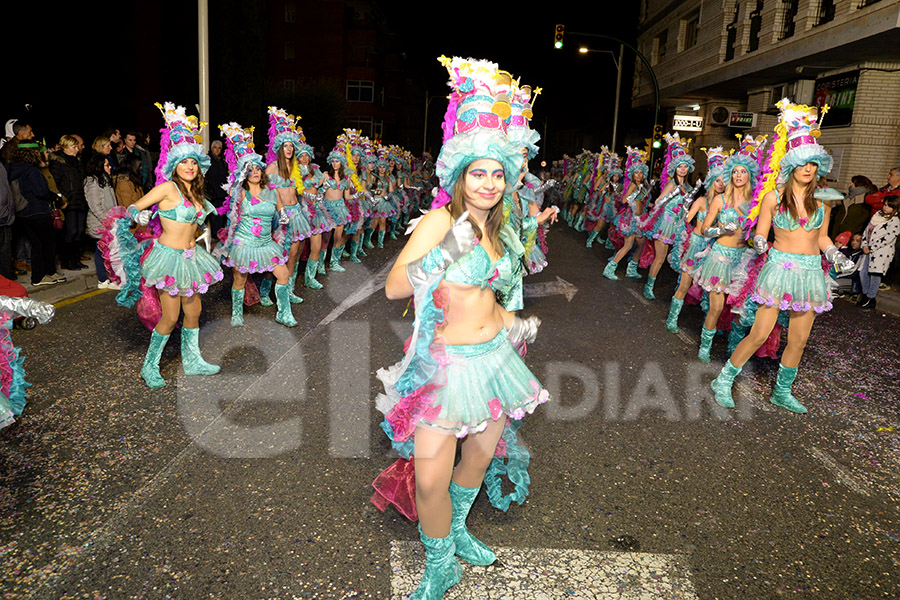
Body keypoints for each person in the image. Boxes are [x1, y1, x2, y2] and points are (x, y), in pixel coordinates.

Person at [371, 57, 548, 600]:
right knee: (429, 477)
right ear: (460, 175)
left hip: (495, 357)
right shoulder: (441, 221)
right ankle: (440, 561)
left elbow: (497, 290)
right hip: (445, 366)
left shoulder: (505, 224)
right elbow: (396, 288)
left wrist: (514, 322)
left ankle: (461, 529)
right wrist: (448, 249)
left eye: (498, 173)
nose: (490, 183)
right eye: (478, 172)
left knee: (478, 455)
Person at [711, 99, 855, 414]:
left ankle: (781, 392)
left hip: (810, 272)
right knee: (760, 332)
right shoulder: (773, 198)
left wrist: (835, 254)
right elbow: (759, 233)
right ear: (791, 165)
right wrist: (761, 242)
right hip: (778, 268)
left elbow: (821, 237)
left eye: (814, 164)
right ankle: (723, 379)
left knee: (799, 340)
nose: (808, 169)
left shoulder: (824, 200)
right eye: (803, 163)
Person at [105, 102, 224, 388]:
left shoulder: (197, 194)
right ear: (174, 165)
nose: (190, 166)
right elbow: (133, 207)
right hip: (168, 257)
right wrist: (139, 214)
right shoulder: (167, 188)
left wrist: (204, 240)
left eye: (193, 162)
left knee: (193, 311)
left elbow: (197, 226)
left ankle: (193, 360)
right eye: (184, 162)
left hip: (191, 257)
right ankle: (150, 366)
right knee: (170, 317)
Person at [691, 135, 765, 361]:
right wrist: (721, 230)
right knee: (716, 307)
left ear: (750, 175)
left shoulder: (756, 202)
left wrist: (756, 240)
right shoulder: (720, 200)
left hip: (743, 260)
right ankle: (705, 345)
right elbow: (704, 229)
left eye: (743, 172)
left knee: (740, 309)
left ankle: (734, 348)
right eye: (735, 172)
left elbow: (758, 230)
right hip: (719, 258)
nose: (738, 176)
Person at [216, 122, 295, 327]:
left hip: (266, 243)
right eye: (250, 170)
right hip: (244, 243)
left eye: (258, 168)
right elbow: (232, 213)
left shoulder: (272, 191)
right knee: (240, 279)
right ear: (245, 173)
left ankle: (283, 313)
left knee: (283, 274)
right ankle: (236, 313)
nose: (256, 172)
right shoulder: (240, 192)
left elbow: (280, 210)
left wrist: (284, 215)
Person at [665, 146, 726, 333]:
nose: (721, 184)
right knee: (684, 284)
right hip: (695, 245)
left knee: (709, 290)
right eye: (717, 181)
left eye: (724, 181)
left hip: (712, 249)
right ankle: (672, 319)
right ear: (710, 182)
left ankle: (708, 324)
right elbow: (686, 220)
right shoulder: (701, 202)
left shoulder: (725, 204)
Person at [639, 133, 695, 299]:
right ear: (675, 168)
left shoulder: (689, 186)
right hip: (666, 225)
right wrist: (672, 196)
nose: (683, 169)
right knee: (660, 258)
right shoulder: (672, 184)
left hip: (679, 226)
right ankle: (649, 287)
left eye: (685, 166)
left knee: (681, 259)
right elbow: (657, 202)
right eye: (680, 167)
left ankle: (680, 292)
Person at [6, 143, 64, 286]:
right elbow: (40, 191)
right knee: (47, 243)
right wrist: (55, 197)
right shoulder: (32, 170)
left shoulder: (15, 169)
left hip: (24, 212)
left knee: (37, 244)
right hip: (38, 211)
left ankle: (47, 273)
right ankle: (40, 276)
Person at [603, 147, 650, 280]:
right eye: (636, 173)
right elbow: (624, 200)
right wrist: (636, 194)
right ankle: (610, 267)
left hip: (640, 217)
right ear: (632, 174)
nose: (639, 175)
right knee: (628, 245)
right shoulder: (633, 186)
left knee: (641, 244)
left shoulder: (643, 186)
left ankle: (631, 269)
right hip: (631, 218)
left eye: (641, 173)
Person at [49, 135, 89, 270]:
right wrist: (62, 199)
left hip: (80, 199)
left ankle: (76, 259)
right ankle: (67, 260)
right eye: (73, 147)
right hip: (69, 201)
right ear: (65, 147)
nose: (77, 150)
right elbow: (56, 183)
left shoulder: (77, 161)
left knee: (79, 232)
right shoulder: (58, 162)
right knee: (70, 232)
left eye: (77, 147)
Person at [84, 153, 119, 289]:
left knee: (108, 251)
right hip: (100, 224)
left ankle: (109, 279)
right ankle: (103, 280)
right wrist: (108, 221)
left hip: (109, 222)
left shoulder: (104, 179)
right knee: (102, 251)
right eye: (106, 165)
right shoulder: (93, 182)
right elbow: (95, 205)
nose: (109, 167)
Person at [857, 196, 900, 309]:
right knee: (863, 272)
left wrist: (871, 247)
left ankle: (870, 297)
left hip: (881, 252)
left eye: (889, 206)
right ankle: (867, 295)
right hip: (868, 249)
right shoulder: (877, 216)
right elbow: (867, 231)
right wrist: (865, 244)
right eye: (885, 204)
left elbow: (888, 238)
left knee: (875, 274)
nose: (886, 208)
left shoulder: (895, 221)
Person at [829, 175, 876, 239]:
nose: (851, 185)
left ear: (859, 185)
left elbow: (862, 221)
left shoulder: (865, 201)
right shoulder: (847, 198)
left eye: (853, 183)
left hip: (852, 238)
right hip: (838, 236)